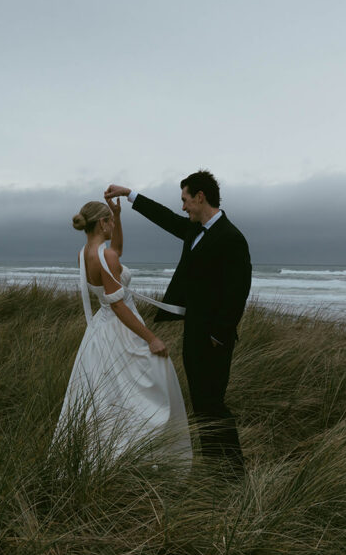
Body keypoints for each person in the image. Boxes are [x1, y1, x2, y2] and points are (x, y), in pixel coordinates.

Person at [104, 171, 252, 478]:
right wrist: (131, 194)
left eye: (185, 200)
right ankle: (215, 466)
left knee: (213, 403)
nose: (183, 207)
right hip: (194, 331)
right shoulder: (194, 230)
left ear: (200, 197)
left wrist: (217, 336)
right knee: (201, 403)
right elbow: (166, 219)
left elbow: (237, 292)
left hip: (213, 338)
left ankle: (234, 472)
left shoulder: (232, 237)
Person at [54, 197, 192, 464]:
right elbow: (117, 305)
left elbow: (115, 252)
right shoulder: (105, 257)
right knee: (147, 386)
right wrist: (151, 338)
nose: (113, 225)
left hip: (99, 332)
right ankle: (138, 452)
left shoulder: (85, 253)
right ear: (103, 223)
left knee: (107, 393)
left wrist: (118, 215)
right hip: (119, 329)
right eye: (112, 221)